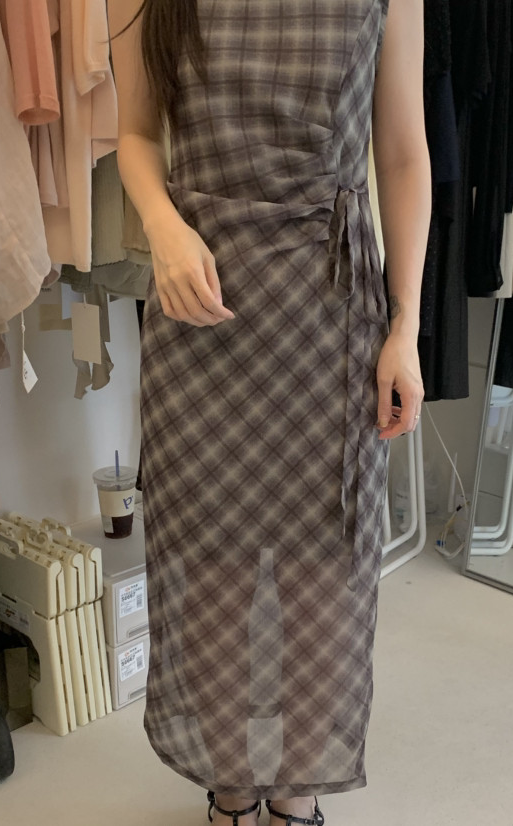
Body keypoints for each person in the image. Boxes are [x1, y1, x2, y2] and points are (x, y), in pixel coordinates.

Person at [109, 1, 430, 823]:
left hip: (332, 314)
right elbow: (136, 134)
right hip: (200, 308)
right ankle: (230, 797)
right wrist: (162, 225)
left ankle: (295, 799)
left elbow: (401, 153)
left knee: (323, 574)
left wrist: (405, 327)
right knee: (209, 571)